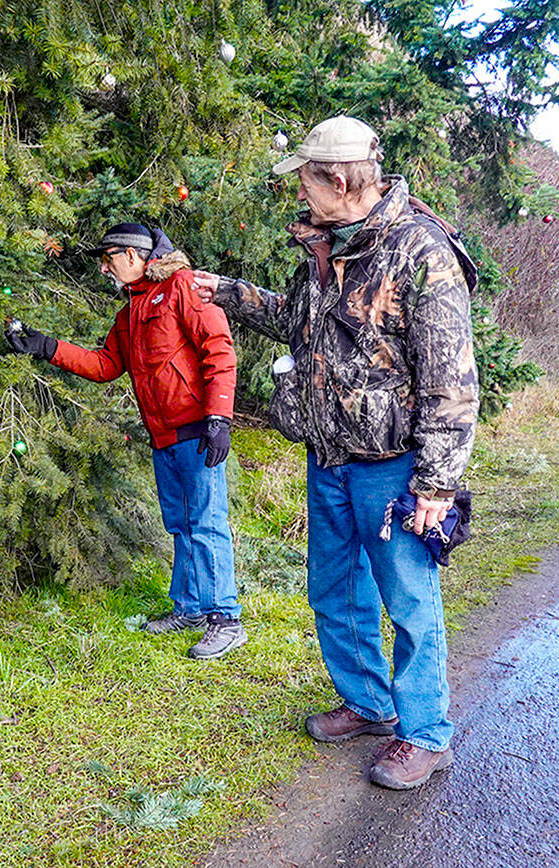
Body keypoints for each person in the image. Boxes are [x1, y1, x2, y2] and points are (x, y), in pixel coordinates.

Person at [191, 116, 478, 789]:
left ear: (343, 179)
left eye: (308, 180)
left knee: (409, 603)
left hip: (396, 470)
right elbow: (296, 320)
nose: (300, 194)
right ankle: (370, 703)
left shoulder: (420, 253)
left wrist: (435, 488)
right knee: (334, 590)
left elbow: (452, 384)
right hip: (329, 458)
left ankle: (426, 733)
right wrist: (224, 292)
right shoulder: (326, 249)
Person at [6, 223, 246, 660]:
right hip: (164, 435)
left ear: (133, 256)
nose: (105, 268)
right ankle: (190, 609)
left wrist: (219, 417)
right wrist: (47, 346)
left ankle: (225, 619)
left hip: (198, 430)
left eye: (109, 258)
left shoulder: (182, 287)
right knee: (181, 524)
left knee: (207, 523)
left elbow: (218, 349)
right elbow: (104, 365)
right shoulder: (130, 312)